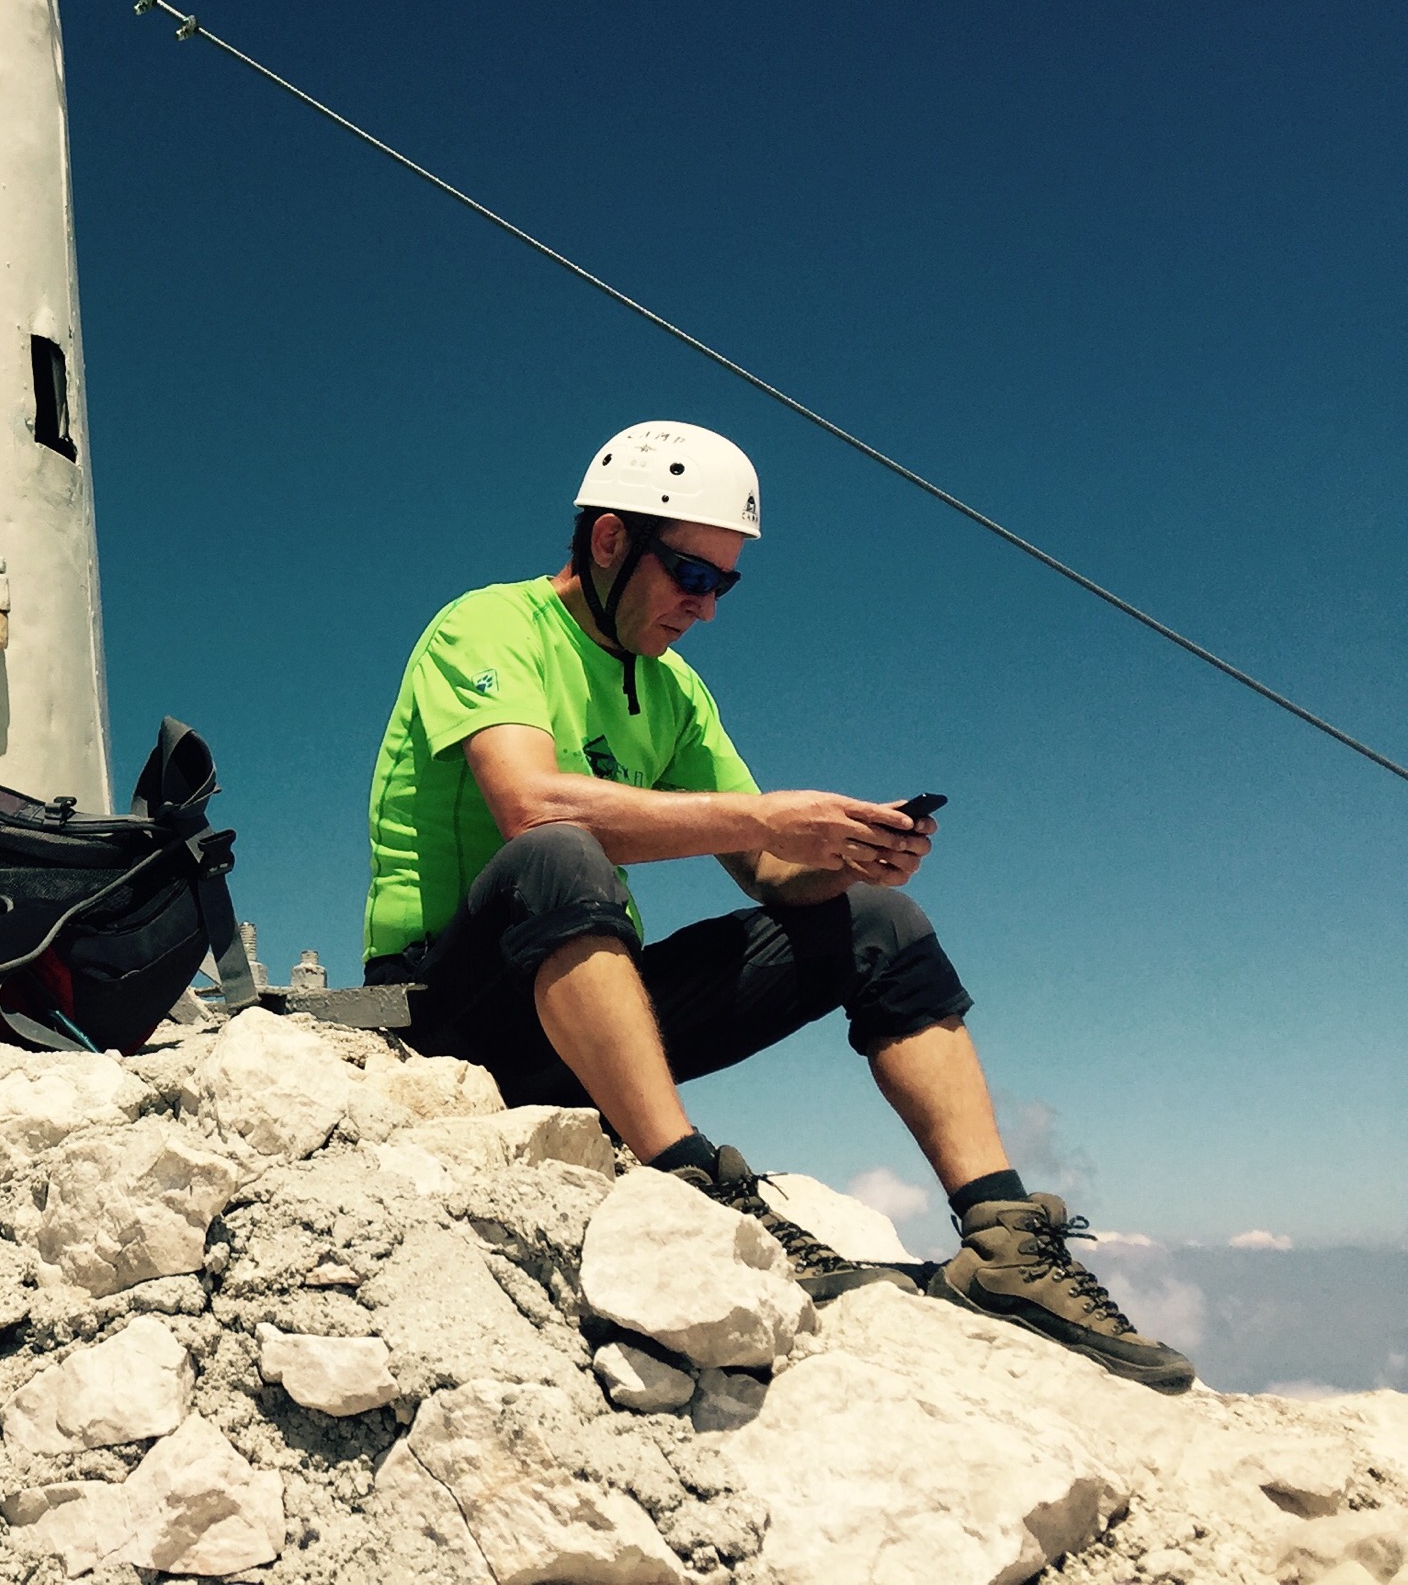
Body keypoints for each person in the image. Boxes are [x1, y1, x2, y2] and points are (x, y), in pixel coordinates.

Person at [361, 420, 1191, 1391]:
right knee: (559, 849)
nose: (706, 608)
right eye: (691, 574)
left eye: (725, 583)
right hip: (449, 1010)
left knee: (881, 927)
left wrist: (839, 857)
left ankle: (1005, 1247)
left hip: (579, 1012)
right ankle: (691, 1184)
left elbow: (767, 873)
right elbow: (527, 803)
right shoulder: (490, 626)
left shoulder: (674, 694)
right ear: (609, 541)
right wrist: (762, 813)